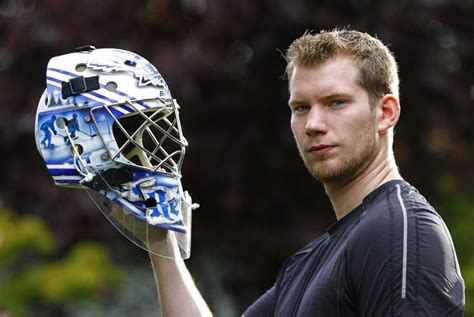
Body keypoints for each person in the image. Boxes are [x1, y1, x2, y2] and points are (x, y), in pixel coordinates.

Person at [148, 29, 465, 316]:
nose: (313, 124)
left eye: (336, 102)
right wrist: (161, 243)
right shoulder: (309, 263)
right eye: (301, 107)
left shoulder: (399, 233)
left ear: (385, 113)